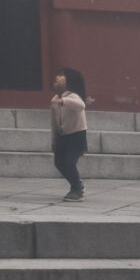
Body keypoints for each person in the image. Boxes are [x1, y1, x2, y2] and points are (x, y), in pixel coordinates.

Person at [51, 67, 89, 202]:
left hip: (76, 135)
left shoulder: (72, 96)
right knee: (58, 162)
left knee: (69, 162)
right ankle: (77, 183)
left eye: (61, 75)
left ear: (70, 81)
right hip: (62, 136)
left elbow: (81, 105)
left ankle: (76, 189)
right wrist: (54, 140)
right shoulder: (55, 99)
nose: (57, 77)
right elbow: (54, 123)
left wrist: (64, 101)